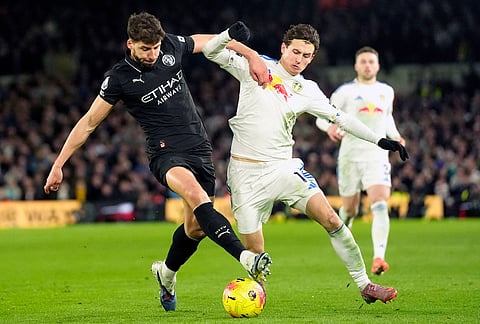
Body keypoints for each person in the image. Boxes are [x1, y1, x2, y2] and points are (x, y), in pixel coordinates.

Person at [43, 12, 272, 312]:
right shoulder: (119, 78)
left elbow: (209, 42)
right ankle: (246, 259)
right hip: (165, 153)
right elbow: (87, 123)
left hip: (199, 148)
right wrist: (59, 163)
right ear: (130, 44)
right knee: (196, 196)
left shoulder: (170, 48)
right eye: (145, 49)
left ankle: (166, 274)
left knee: (196, 229)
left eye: (155, 48)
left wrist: (251, 53)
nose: (152, 54)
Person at [202, 22, 408, 304]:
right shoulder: (257, 66)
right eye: (295, 52)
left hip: (283, 168)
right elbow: (212, 51)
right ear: (283, 48)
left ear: (312, 58)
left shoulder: (307, 89)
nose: (299, 60)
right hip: (245, 175)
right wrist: (242, 47)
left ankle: (365, 284)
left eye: (306, 56)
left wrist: (379, 139)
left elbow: (341, 118)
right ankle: (256, 296)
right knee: (256, 256)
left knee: (332, 219)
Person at [315, 46, 406, 276]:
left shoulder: (387, 91)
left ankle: (379, 258)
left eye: (371, 62)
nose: (367, 65)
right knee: (350, 208)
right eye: (363, 61)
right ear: (356, 66)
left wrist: (395, 137)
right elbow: (321, 117)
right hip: (350, 156)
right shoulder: (344, 92)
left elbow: (387, 119)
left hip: (376, 156)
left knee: (380, 203)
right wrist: (329, 128)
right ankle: (342, 237)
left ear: (378, 65)